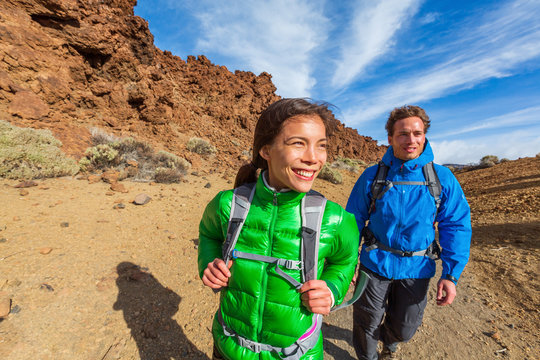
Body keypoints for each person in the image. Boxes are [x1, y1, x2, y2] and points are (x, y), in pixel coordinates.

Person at [198, 98, 360, 360]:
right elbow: (209, 234)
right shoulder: (227, 204)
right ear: (266, 149)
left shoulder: (335, 219)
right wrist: (209, 262)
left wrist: (331, 289)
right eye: (298, 143)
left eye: (321, 147)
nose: (313, 158)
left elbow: (345, 260)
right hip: (228, 347)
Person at [346, 105, 472, 360]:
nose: (411, 140)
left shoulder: (442, 178)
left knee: (405, 328)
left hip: (417, 268)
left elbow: (456, 225)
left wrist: (451, 274)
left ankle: (390, 343)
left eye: (417, 133)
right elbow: (353, 221)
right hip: (374, 264)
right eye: (403, 134)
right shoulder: (373, 175)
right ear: (390, 138)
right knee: (366, 321)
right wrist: (347, 263)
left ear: (425, 136)